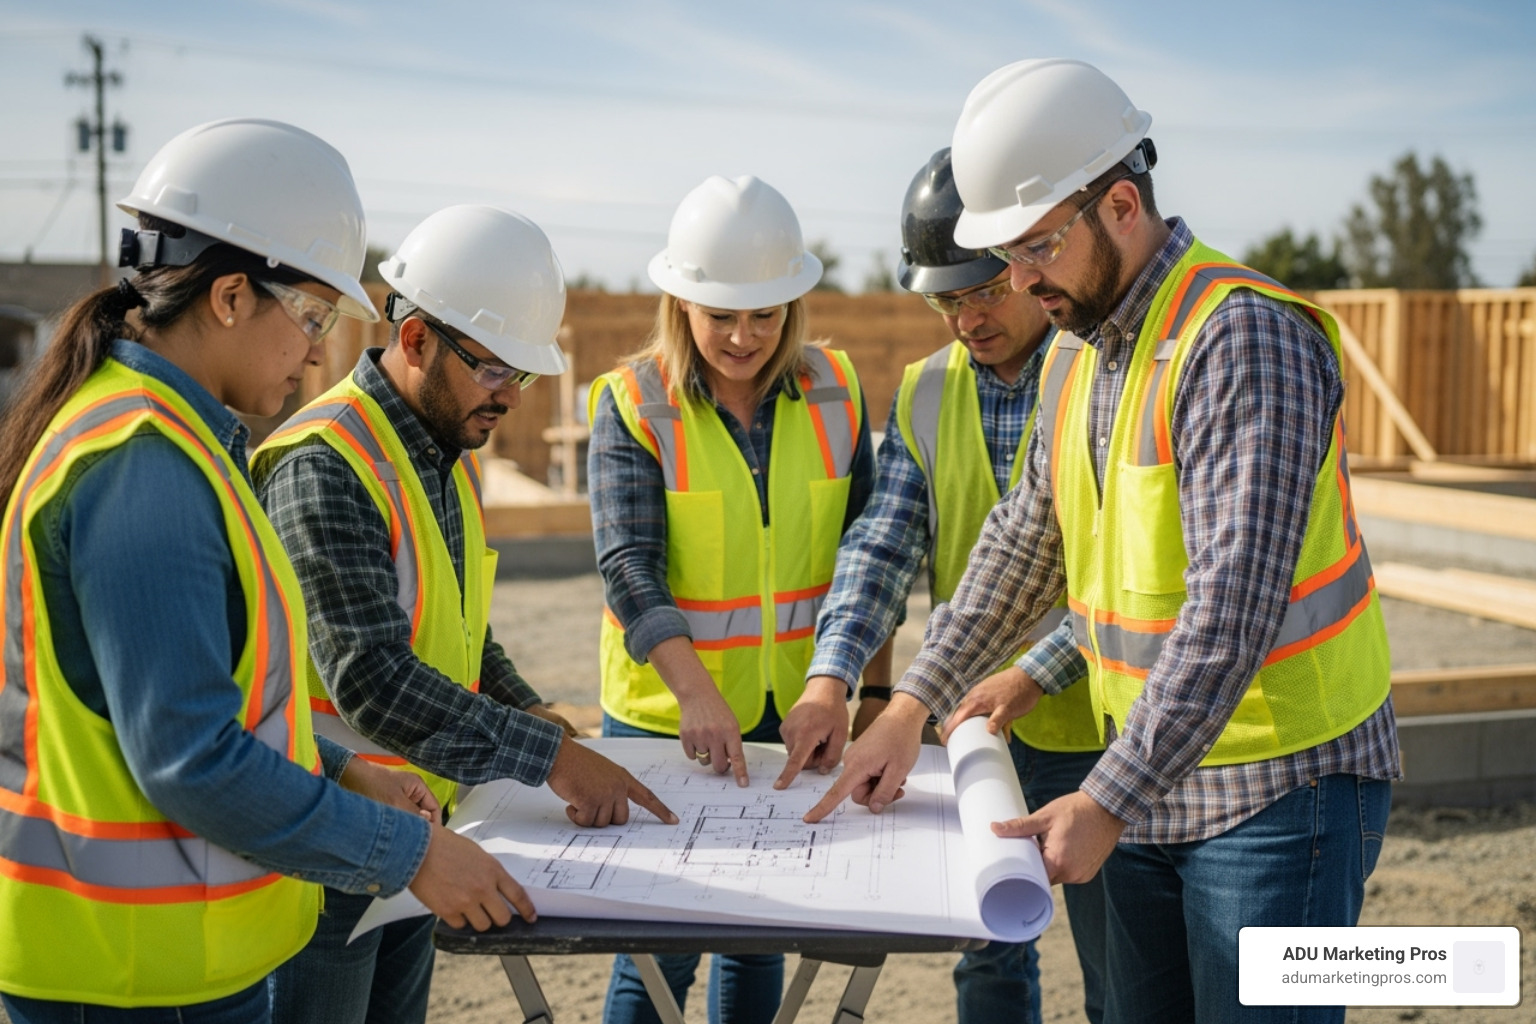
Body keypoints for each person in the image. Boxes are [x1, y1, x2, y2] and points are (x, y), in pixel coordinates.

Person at [808, 59, 1399, 1024]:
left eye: (1035, 248)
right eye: (1009, 255)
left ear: (1121, 203)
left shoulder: (1238, 336)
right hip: (1154, 770)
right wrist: (911, 702)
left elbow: (1231, 608)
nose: (1020, 280)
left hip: (1282, 790)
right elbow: (1024, 541)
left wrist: (1106, 799)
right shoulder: (1082, 347)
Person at [0, 119, 531, 1024]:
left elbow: (204, 703)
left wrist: (336, 768)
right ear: (234, 296)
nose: (320, 352)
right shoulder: (141, 465)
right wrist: (411, 856)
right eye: (314, 316)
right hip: (127, 976)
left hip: (165, 965)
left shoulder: (180, 442)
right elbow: (189, 759)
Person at [251, 204, 677, 1024]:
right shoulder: (324, 465)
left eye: (523, 376)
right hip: (322, 852)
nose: (512, 397)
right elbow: (371, 677)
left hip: (415, 831)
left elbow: (456, 626)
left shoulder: (442, 452)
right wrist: (547, 756)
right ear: (415, 342)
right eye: (493, 371)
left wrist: (524, 707)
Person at [777, 147, 1108, 1024]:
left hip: (1109, 721)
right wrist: (832, 677)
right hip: (973, 731)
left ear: (1032, 264)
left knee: (1123, 958)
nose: (966, 319)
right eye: (944, 300)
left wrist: (1036, 670)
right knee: (990, 950)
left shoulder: (1100, 376)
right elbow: (881, 549)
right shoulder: (926, 393)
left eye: (984, 292)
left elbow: (1136, 577)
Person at [588, 174, 875, 1024]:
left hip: (792, 714)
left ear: (794, 304)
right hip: (662, 719)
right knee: (659, 948)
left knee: (758, 940)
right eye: (721, 315)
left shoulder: (838, 389)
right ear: (680, 303)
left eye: (765, 314)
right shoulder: (633, 402)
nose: (743, 337)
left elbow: (865, 558)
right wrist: (696, 693)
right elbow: (628, 565)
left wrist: (859, 689)